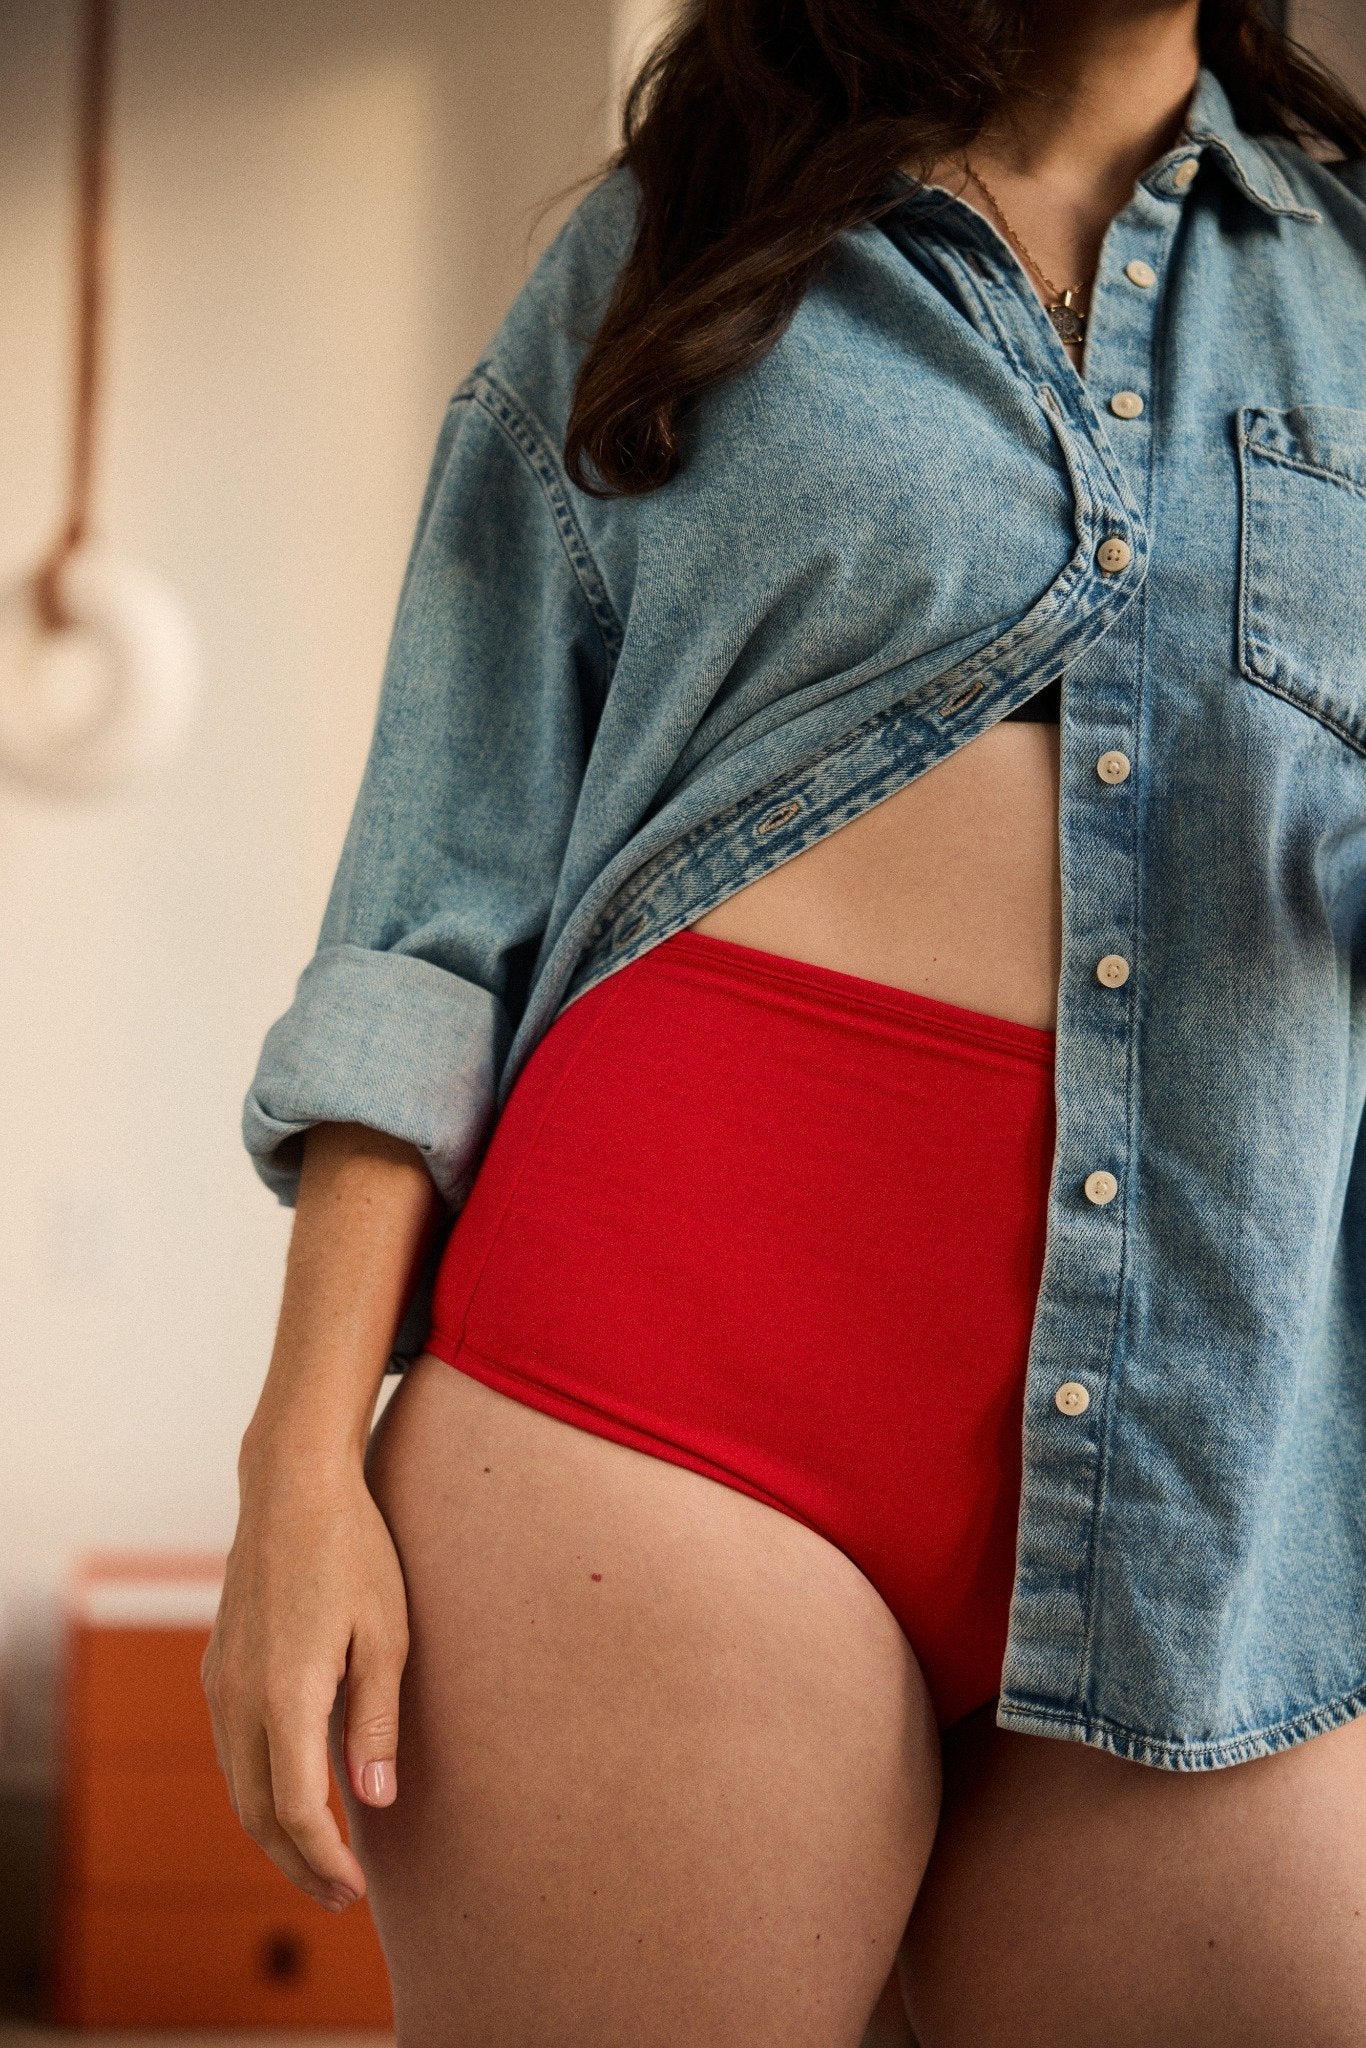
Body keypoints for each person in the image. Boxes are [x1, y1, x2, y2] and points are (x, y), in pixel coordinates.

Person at [202, 3, 1366, 2042]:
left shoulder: (1348, 287)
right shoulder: (682, 247)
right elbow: (430, 898)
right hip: (664, 1386)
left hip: (1222, 1470)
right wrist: (295, 1472)